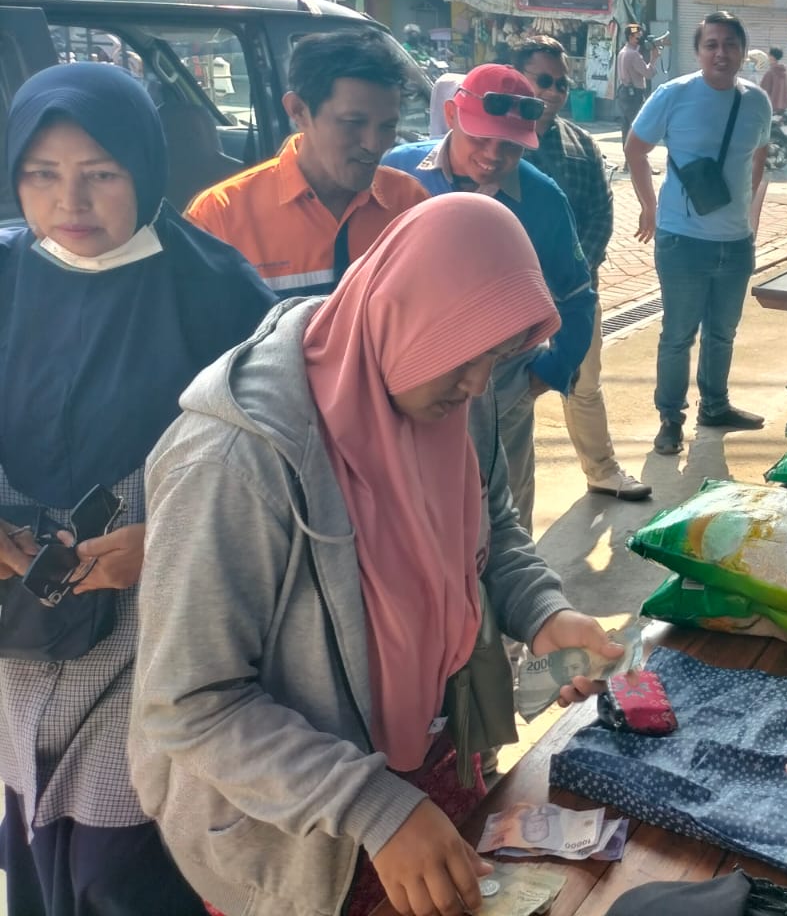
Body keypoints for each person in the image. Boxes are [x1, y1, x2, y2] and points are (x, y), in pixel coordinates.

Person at [131, 194, 624, 916]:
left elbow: (491, 530)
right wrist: (373, 805)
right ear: (401, 315)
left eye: (499, 359)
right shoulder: (235, 460)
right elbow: (188, 703)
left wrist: (544, 612)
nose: (480, 385)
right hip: (300, 832)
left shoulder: (458, 398)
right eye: (466, 357)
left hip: (439, 760)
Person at [0, 63, 274, 915]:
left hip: (154, 618)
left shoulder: (217, 290)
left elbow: (276, 461)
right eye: (41, 175)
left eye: (101, 174)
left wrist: (170, 541)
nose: (68, 202)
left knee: (120, 858)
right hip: (22, 613)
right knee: (34, 819)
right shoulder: (6, 273)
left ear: (145, 170)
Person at [383, 65, 598, 529]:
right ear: (450, 115)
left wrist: (548, 373)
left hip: (500, 385)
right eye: (480, 137)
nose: (493, 154)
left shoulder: (543, 200)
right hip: (404, 380)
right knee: (410, 508)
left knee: (501, 512)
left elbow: (578, 294)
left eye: (510, 145)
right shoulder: (396, 175)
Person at [624, 11, 772, 456]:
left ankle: (715, 405)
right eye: (711, 44)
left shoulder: (757, 102)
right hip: (682, 239)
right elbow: (635, 148)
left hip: (735, 242)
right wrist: (650, 207)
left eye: (730, 44)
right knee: (678, 334)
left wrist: (750, 220)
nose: (721, 53)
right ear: (698, 51)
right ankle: (670, 418)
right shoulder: (674, 95)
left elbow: (759, 158)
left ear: (744, 51)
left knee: (723, 333)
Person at [186, 28, 429, 297]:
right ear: (298, 111)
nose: (374, 144)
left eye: (387, 126)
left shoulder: (409, 205)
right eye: (353, 123)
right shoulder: (220, 216)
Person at [514, 36, 651, 502]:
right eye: (544, 81)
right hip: (504, 301)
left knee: (584, 382)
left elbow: (600, 214)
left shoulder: (582, 145)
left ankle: (602, 469)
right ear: (518, 80)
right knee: (506, 394)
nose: (553, 92)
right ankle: (500, 486)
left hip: (574, 294)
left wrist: (569, 276)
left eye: (561, 84)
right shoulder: (495, 143)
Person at [616, 25, 651, 141]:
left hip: (624, 91)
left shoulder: (622, 51)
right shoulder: (633, 54)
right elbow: (648, 73)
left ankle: (628, 155)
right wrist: (654, 58)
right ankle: (636, 154)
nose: (640, 40)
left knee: (626, 126)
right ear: (630, 37)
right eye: (638, 37)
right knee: (637, 125)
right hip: (634, 93)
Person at [760, 47, 787, 114]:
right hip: (782, 108)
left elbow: (763, 91)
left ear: (772, 57)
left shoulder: (770, 73)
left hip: (771, 108)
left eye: (768, 55)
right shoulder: (785, 73)